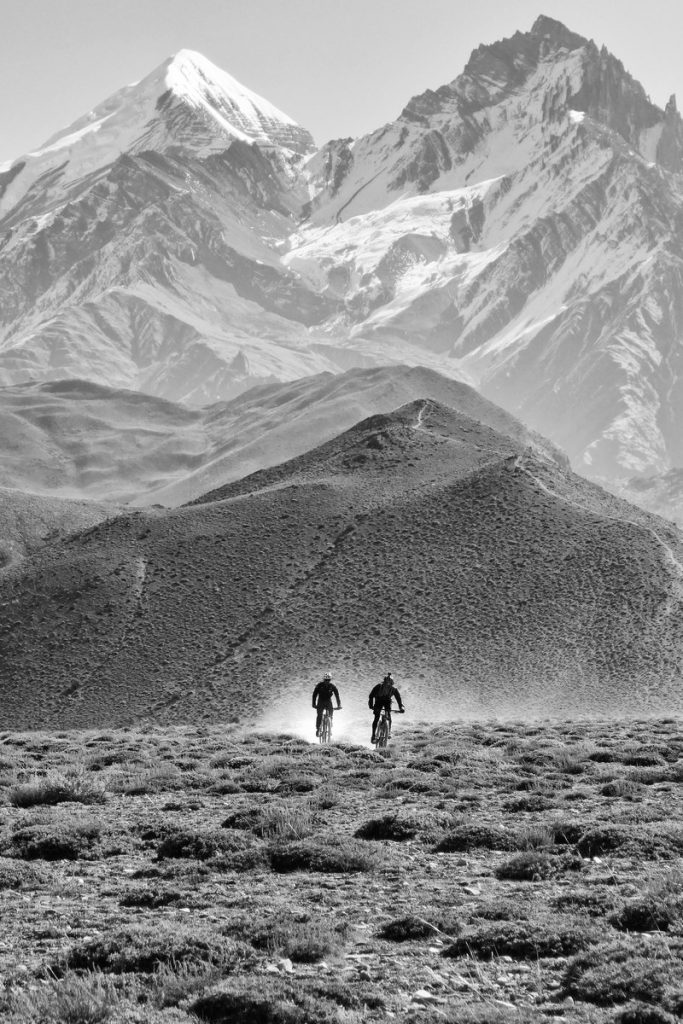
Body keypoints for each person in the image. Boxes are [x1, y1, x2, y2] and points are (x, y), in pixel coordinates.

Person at [368, 672, 404, 743]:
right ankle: (373, 736)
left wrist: (401, 707)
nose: (387, 684)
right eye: (386, 682)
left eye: (389, 683)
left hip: (387, 701)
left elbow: (398, 699)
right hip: (378, 701)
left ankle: (389, 732)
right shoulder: (378, 686)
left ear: (391, 684)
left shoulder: (394, 690)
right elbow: (371, 695)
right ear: (384, 682)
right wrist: (371, 705)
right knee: (377, 717)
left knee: (388, 715)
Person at [312, 672, 342, 736]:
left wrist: (339, 705)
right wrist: (313, 704)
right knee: (319, 715)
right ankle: (318, 729)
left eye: (328, 680)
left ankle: (330, 726)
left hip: (328, 701)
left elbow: (337, 696)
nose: (327, 681)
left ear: (330, 680)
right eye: (326, 680)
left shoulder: (332, 686)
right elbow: (314, 695)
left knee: (331, 713)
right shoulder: (319, 685)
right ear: (324, 680)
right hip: (321, 701)